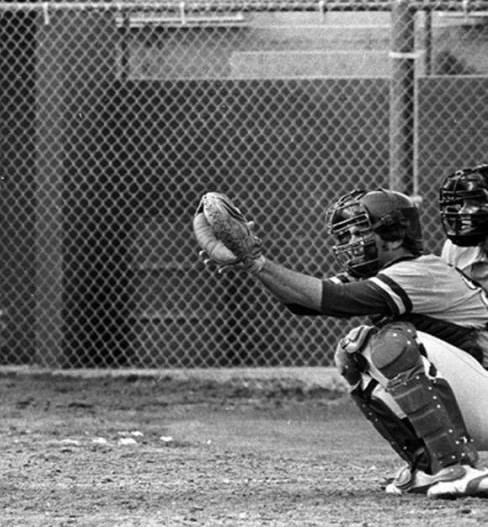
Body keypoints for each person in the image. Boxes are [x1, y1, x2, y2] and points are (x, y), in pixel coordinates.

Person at [197, 188, 488, 498]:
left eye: (360, 231)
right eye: (344, 233)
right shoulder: (385, 271)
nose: (350, 241)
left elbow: (333, 300)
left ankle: (458, 467)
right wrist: (251, 265)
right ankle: (428, 466)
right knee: (354, 350)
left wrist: (258, 262)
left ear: (393, 235)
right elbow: (302, 303)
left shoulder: (420, 271)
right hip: (475, 393)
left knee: (392, 340)